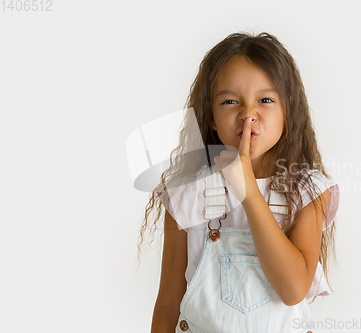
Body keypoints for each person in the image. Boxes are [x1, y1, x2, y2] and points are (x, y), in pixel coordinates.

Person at [141, 32, 340, 333]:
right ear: (210, 117)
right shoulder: (186, 195)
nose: (248, 114)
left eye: (265, 99)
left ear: (289, 111)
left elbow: (293, 290)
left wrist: (247, 192)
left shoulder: (306, 191)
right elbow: (169, 303)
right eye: (231, 101)